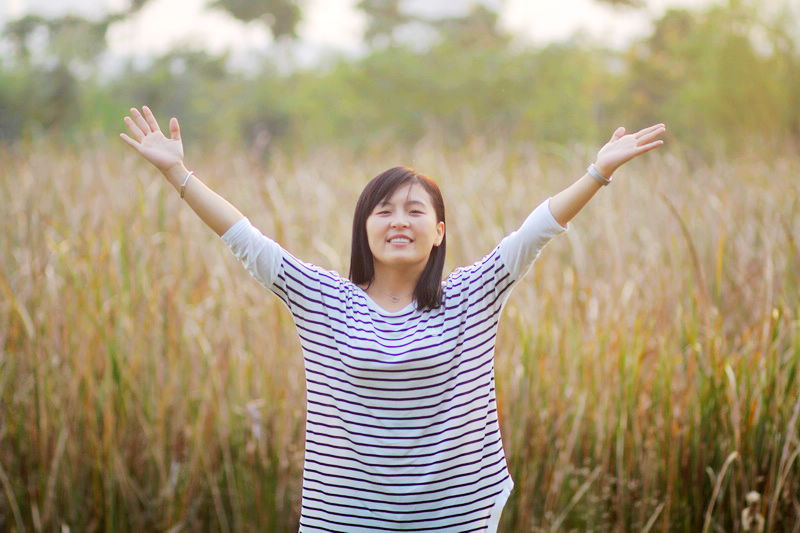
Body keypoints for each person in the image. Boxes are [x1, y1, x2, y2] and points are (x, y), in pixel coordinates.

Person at [120, 106, 666, 532]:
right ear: (364, 230)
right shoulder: (324, 299)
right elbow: (245, 239)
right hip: (346, 520)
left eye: (414, 210)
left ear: (440, 231)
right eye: (382, 211)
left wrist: (598, 171)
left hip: (456, 518)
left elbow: (537, 229)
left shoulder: (473, 294)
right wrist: (178, 174)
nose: (398, 221)